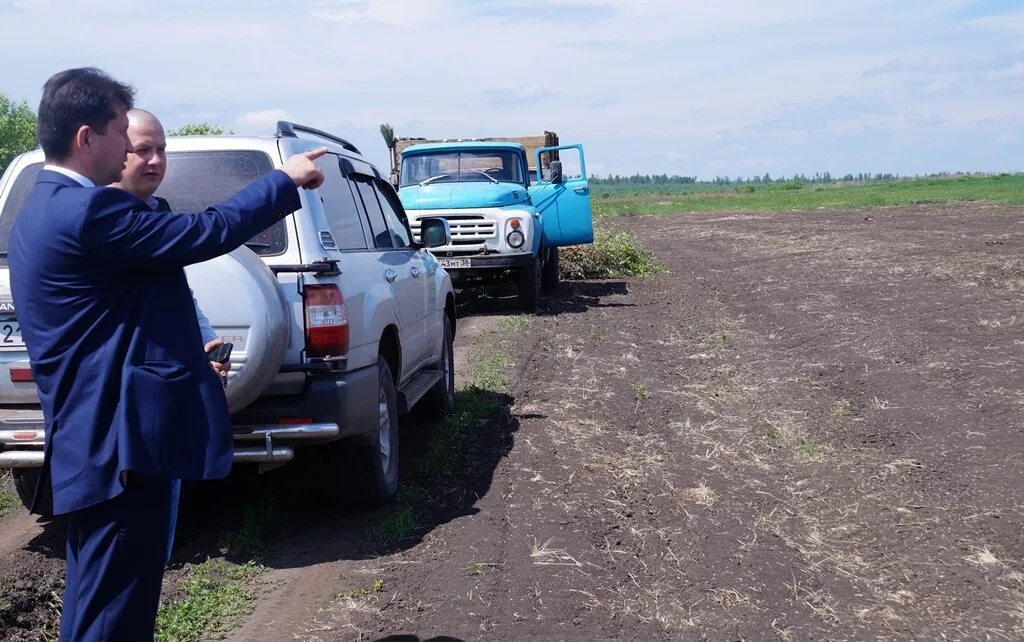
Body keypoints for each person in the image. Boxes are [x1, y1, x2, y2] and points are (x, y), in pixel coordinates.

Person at [7, 67, 325, 641]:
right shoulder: (88, 212)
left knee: (97, 600)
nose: (130, 147)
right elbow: (208, 231)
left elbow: (124, 310)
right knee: (115, 612)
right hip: (121, 445)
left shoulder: (39, 206)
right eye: (119, 133)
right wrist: (284, 180)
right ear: (87, 138)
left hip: (93, 436)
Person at [109, 107, 225, 564]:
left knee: (153, 549)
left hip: (162, 409)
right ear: (115, 149)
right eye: (143, 150)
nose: (155, 160)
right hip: (124, 420)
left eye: (161, 150)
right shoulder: (107, 224)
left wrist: (204, 347)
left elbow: (179, 299)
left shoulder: (153, 213)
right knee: (126, 561)